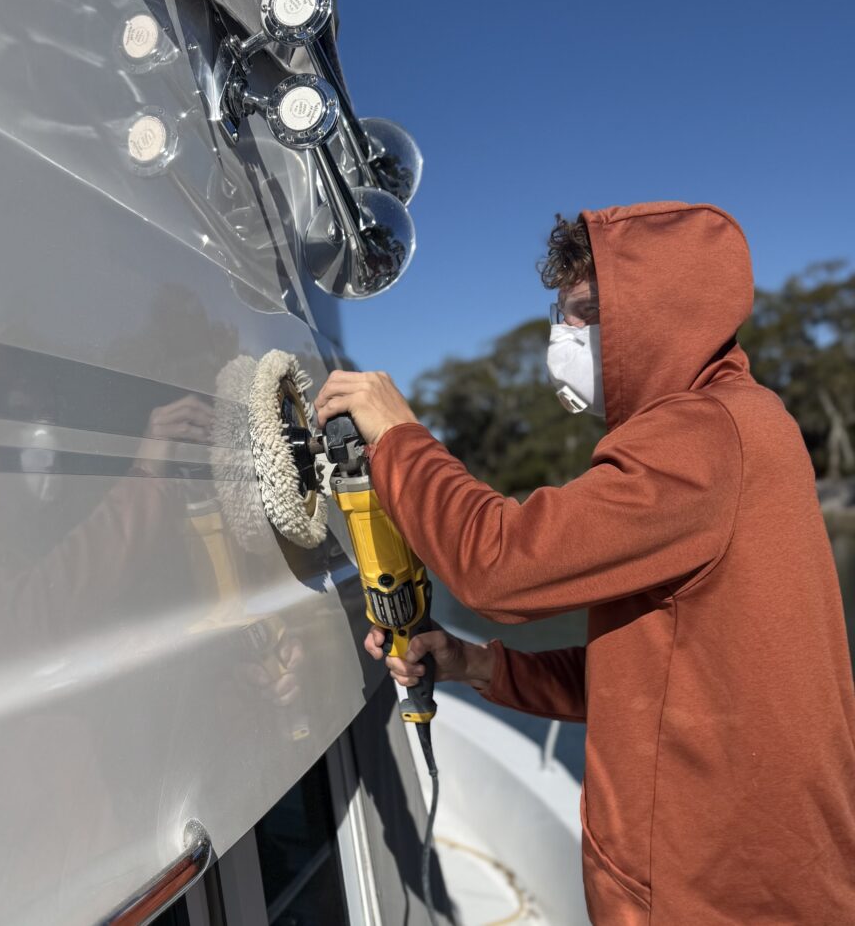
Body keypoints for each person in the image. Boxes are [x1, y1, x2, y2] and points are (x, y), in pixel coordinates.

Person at [313, 201, 855, 924]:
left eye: (582, 313)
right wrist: (482, 667)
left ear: (657, 314)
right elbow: (651, 683)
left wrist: (399, 436)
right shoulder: (747, 424)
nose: (562, 337)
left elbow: (497, 566)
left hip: (711, 893)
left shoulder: (701, 437)